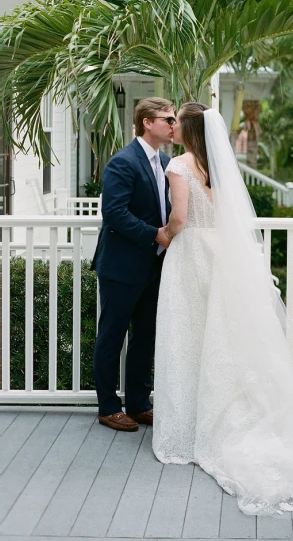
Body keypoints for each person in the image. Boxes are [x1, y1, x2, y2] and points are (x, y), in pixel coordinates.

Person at [152, 102, 293, 517]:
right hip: (222, 254)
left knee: (188, 336)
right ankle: (224, 414)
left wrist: (162, 237)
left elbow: (179, 219)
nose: (172, 125)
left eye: (178, 120)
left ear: (189, 130)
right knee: (224, 339)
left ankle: (192, 427)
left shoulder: (178, 166)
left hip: (192, 253)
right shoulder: (217, 168)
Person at [91, 97, 175, 431]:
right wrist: (154, 235)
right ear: (146, 122)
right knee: (111, 336)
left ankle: (139, 403)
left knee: (145, 337)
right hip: (121, 266)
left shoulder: (166, 161)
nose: (172, 124)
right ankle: (108, 407)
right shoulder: (122, 162)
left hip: (154, 267)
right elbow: (114, 213)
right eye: (167, 118)